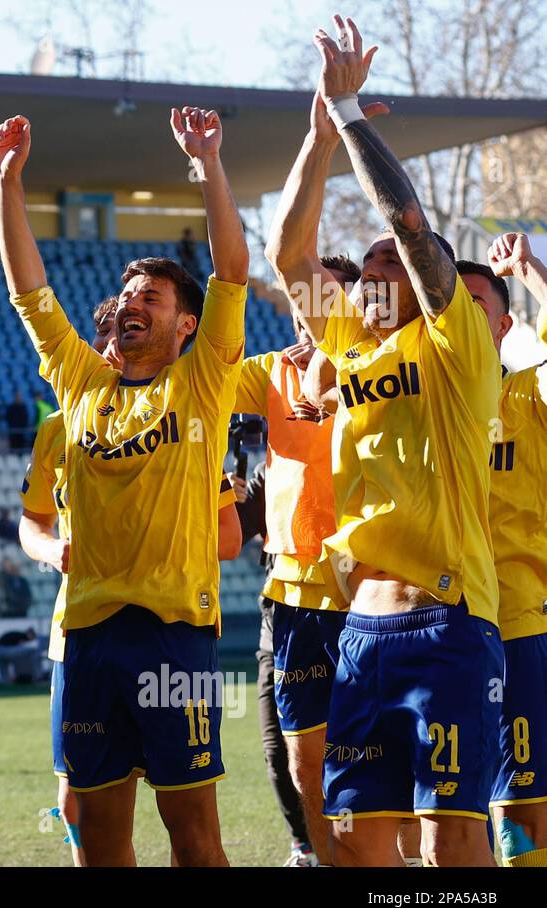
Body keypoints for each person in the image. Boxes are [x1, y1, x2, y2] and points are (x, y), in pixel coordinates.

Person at [267, 17, 502, 866]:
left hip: (447, 626)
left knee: (450, 846)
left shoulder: (453, 346)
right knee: (355, 844)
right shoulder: (351, 348)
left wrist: (353, 108)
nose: (370, 278)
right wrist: (316, 137)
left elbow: (405, 219)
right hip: (359, 634)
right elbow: (286, 252)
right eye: (362, 272)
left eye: (386, 268)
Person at [0, 103, 247, 867]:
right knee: (98, 838)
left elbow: (231, 269)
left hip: (172, 634)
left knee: (194, 838)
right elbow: (30, 296)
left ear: (187, 327)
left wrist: (206, 165)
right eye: (128, 296)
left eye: (153, 298)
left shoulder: (203, 384)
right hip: (88, 637)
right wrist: (6, 184)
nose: (133, 303)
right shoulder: (77, 386)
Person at [18, 296, 240, 866]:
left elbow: (229, 536)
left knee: (186, 817)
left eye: (120, 340)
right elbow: (32, 522)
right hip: (79, 634)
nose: (112, 353)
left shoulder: (182, 420)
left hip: (165, 624)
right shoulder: (58, 430)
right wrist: (53, 550)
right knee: (77, 807)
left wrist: (156, 541)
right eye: (104, 344)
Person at [231, 201, 361, 866]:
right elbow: (203, 386)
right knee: (286, 749)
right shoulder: (272, 370)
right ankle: (310, 851)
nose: (313, 315)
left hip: (366, 586)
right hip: (288, 588)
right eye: (306, 303)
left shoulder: (376, 369)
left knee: (370, 748)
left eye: (329, 302)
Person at [482, 232, 547, 867]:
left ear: (505, 325)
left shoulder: (528, 396)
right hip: (420, 626)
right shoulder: (410, 399)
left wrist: (529, 271)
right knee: (430, 805)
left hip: (512, 623)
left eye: (480, 305)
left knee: (519, 796)